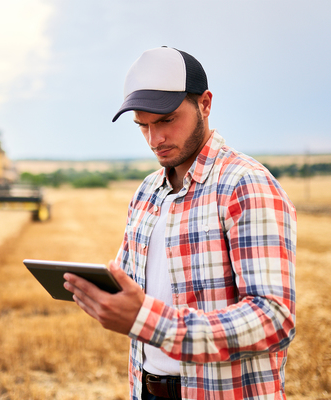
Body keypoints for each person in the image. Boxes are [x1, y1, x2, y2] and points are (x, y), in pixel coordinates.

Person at [64, 46, 297, 400]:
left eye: (166, 120)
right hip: (147, 389)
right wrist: (101, 295)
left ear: (205, 103)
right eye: (143, 126)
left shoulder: (245, 184)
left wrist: (151, 321)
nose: (154, 140)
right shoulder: (147, 192)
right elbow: (135, 293)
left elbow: (273, 320)